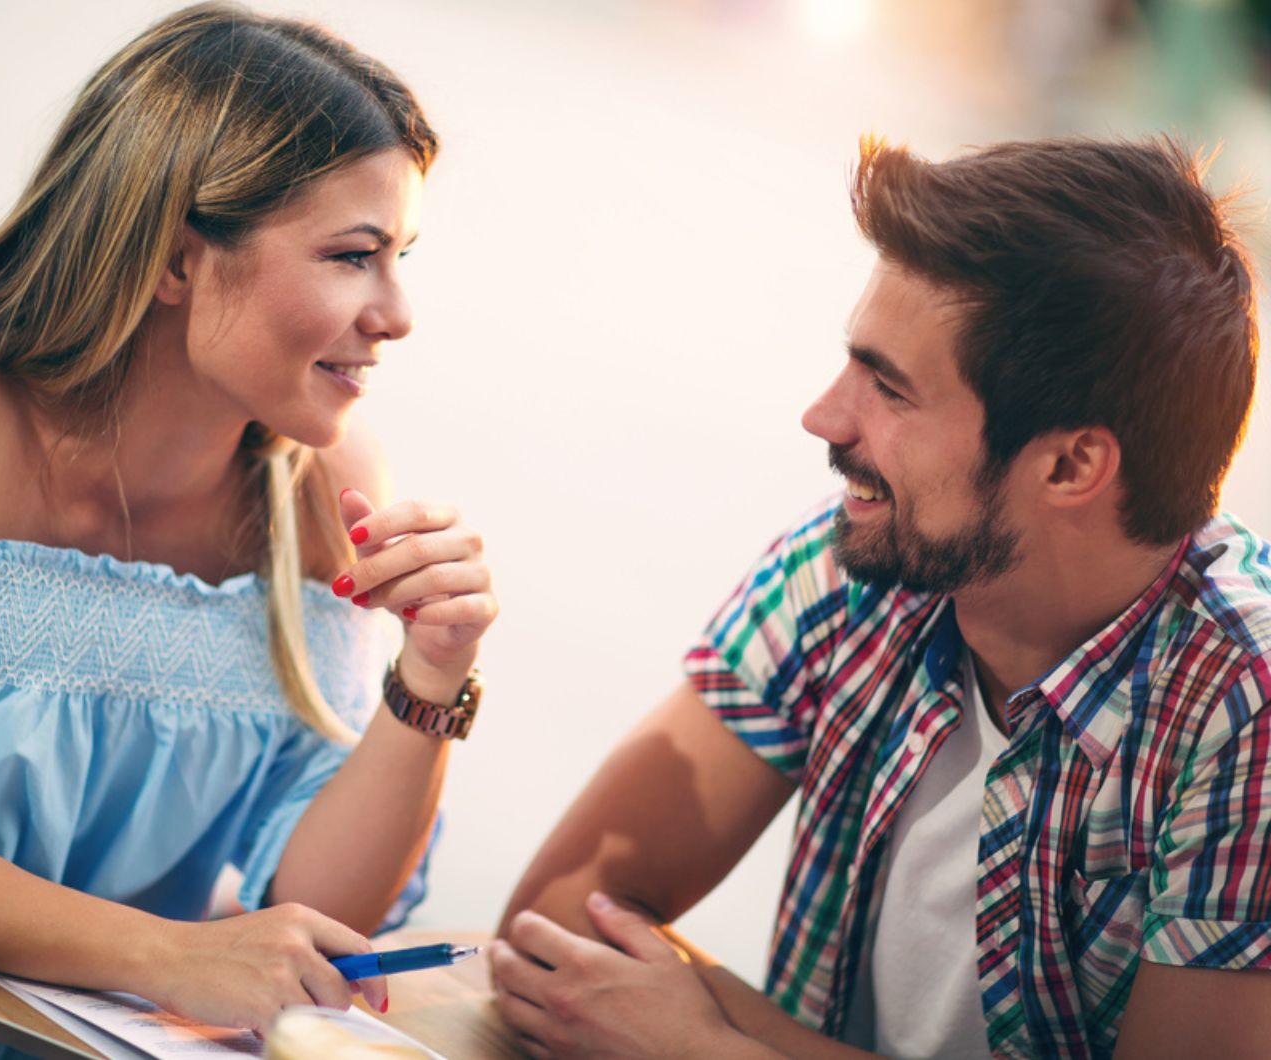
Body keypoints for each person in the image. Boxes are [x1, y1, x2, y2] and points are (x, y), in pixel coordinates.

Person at [0, 3, 496, 1035]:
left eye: (400, 256)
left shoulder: (327, 482)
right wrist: (170, 952)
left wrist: (430, 677)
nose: (397, 312)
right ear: (176, 259)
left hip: (52, 1017)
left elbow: (321, 914)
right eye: (351, 254)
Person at [492, 135, 1271, 1059]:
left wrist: (705, 1047)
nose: (824, 417)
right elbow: (551, 939)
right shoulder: (856, 569)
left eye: (890, 389)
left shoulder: (1241, 705)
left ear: (1070, 464)